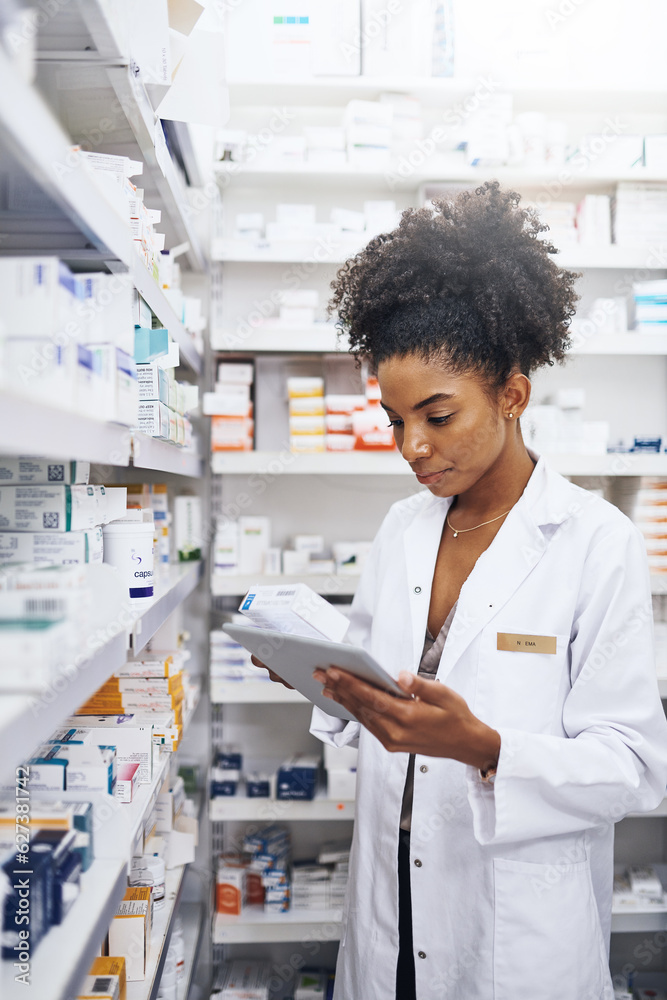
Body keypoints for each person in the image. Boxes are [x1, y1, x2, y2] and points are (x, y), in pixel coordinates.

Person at [254, 182, 667, 999]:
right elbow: (381, 701)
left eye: (437, 417)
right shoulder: (405, 528)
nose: (410, 446)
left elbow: (633, 768)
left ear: (512, 395)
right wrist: (323, 679)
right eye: (394, 419)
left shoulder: (594, 543)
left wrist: (481, 746)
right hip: (391, 902)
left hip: (512, 920)